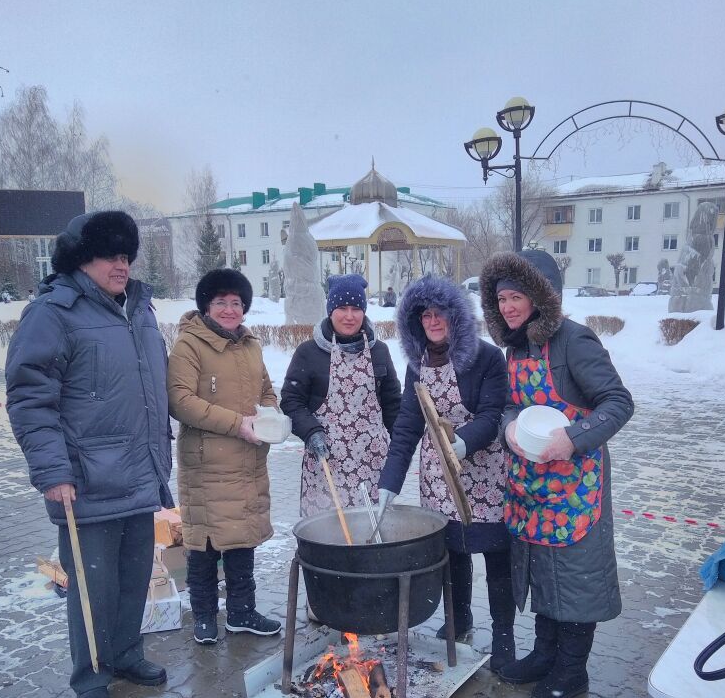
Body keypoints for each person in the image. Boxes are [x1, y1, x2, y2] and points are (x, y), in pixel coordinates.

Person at [5, 211, 173, 698]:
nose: (121, 266)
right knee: (90, 587)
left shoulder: (139, 310)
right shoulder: (53, 313)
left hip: (139, 476)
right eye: (110, 256)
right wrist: (53, 471)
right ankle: (90, 675)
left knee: (132, 578)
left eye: (126, 256)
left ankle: (124, 654)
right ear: (82, 259)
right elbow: (31, 397)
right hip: (85, 481)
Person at [480, 249, 634, 698]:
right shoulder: (516, 347)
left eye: (516, 296)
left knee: (575, 578)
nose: (507, 306)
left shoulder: (575, 341)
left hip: (576, 486)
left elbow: (618, 403)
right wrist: (509, 423)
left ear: (540, 296)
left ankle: (572, 669)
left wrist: (573, 437)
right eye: (501, 298)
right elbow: (513, 401)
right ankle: (544, 654)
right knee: (542, 573)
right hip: (532, 484)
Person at [377, 275, 517, 670]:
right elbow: (407, 425)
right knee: (452, 551)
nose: (433, 322)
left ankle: (504, 634)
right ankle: (459, 621)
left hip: (484, 469)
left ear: (456, 317)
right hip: (439, 474)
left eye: (440, 314)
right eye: (425, 316)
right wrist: (389, 483)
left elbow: (493, 413)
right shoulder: (417, 365)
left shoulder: (488, 358)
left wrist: (464, 442)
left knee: (494, 554)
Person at [167, 268, 281, 645]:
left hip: (247, 459)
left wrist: (268, 417)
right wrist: (239, 424)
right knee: (204, 543)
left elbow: (266, 390)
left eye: (236, 303)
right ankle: (204, 615)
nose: (230, 309)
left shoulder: (250, 345)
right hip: (208, 464)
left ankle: (242, 612)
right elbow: (180, 402)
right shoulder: (189, 345)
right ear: (206, 306)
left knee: (241, 537)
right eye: (221, 303)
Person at [280, 273, 401, 519]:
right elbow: (291, 401)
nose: (349, 316)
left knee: (371, 531)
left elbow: (392, 404)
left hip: (373, 463)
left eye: (356, 308)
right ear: (330, 310)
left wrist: (402, 446)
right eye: (342, 308)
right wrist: (311, 432)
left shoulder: (379, 351)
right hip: (326, 464)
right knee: (330, 535)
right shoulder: (308, 352)